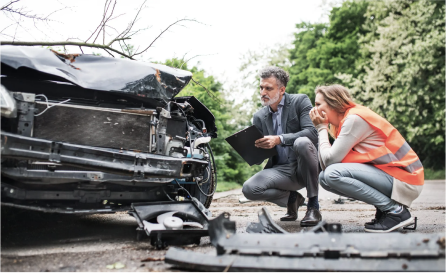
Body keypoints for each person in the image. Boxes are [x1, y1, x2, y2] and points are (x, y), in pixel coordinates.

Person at [309, 84, 424, 233]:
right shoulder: (345, 122)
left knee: (332, 174)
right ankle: (385, 209)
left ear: (334, 104)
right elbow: (326, 164)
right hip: (394, 176)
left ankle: (395, 212)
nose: (314, 109)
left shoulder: (354, 120)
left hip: (406, 179)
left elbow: (330, 161)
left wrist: (321, 128)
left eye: (318, 104)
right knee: (324, 178)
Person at [242, 66, 322, 227]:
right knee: (249, 189)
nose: (263, 92)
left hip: (304, 165)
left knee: (302, 142)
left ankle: (313, 206)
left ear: (282, 89)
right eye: (261, 87)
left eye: (268, 88)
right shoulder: (259, 116)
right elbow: (262, 156)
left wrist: (279, 139)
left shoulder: (300, 101)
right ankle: (292, 198)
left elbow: (312, 133)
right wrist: (250, 150)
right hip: (281, 170)